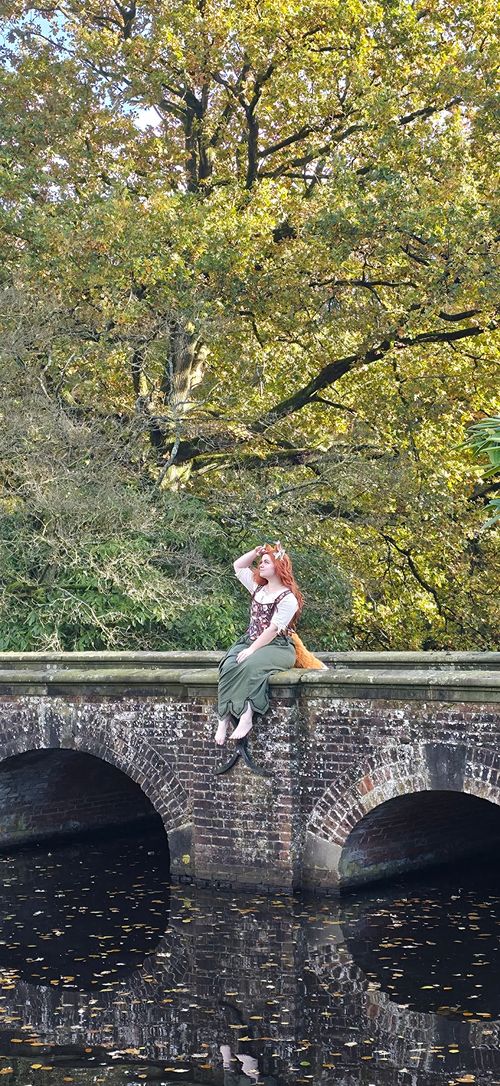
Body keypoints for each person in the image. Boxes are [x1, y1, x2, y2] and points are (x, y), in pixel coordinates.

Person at [215, 541, 325, 746]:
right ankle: (224, 717)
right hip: (251, 640)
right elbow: (238, 566)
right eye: (261, 562)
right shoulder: (258, 588)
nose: (261, 565)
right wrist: (255, 552)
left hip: (278, 646)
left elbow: (273, 629)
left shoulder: (288, 598)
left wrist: (252, 650)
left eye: (266, 562)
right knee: (228, 664)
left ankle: (246, 716)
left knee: (250, 665)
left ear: (278, 566)